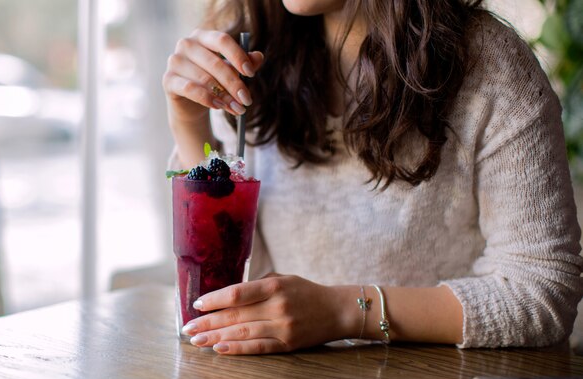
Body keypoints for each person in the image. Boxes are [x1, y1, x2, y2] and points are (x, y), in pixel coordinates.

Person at [163, 0, 583, 355]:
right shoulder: (251, 57)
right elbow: (233, 279)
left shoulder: (490, 66)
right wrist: (189, 123)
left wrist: (344, 312)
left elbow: (542, 291)